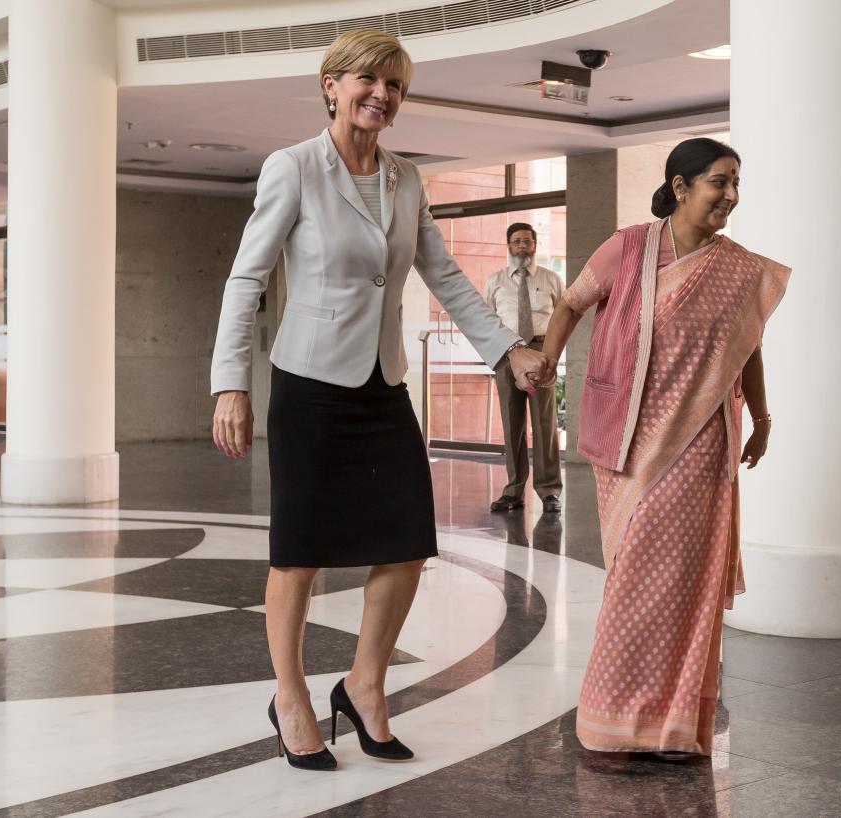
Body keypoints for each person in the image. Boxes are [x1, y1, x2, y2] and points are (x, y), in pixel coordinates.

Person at [209, 29, 548, 771]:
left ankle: (364, 684)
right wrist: (229, 383)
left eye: (395, 85)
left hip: (382, 383)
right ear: (330, 84)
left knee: (405, 545)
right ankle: (291, 695)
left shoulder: (406, 179)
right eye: (367, 79)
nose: (382, 95)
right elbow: (246, 280)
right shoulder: (292, 168)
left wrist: (505, 349)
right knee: (300, 555)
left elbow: (447, 276)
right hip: (308, 384)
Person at [535, 138, 791, 757]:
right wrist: (546, 362)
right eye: (718, 183)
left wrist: (761, 415)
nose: (730, 196)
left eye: (737, 183)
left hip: (705, 444)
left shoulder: (740, 267)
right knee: (635, 578)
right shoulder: (628, 249)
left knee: (688, 585)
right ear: (680, 186)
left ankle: (674, 725)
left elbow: (747, 346)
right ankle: (613, 718)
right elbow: (571, 305)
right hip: (631, 440)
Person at [484, 223, 565, 514]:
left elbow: (561, 320)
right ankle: (514, 490)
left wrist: (552, 356)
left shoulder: (552, 279)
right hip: (506, 354)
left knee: (545, 423)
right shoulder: (495, 282)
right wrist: (495, 357)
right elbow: (487, 322)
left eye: (527, 242)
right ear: (508, 245)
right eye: (517, 242)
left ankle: (549, 491)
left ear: (535, 245)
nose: (522, 247)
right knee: (512, 423)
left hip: (541, 352)